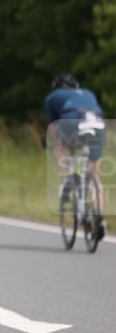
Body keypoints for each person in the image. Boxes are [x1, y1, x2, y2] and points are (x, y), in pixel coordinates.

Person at [45, 73, 107, 238]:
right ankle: (99, 217)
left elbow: (53, 127)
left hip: (73, 120)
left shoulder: (52, 97)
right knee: (94, 173)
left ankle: (67, 176)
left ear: (57, 86)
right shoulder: (88, 92)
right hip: (97, 124)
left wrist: (57, 143)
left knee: (59, 146)